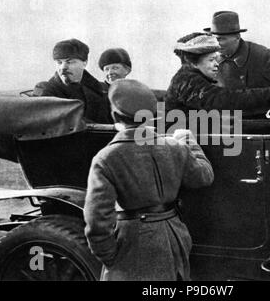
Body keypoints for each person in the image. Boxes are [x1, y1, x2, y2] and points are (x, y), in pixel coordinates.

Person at [83, 79, 214, 281]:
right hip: (175, 234)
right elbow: (204, 176)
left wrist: (109, 256)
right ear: (151, 115)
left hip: (133, 241)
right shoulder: (174, 146)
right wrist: (188, 141)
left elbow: (97, 219)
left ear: (115, 115)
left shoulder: (106, 158)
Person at [165, 32, 270, 116]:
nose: (217, 64)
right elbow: (226, 100)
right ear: (193, 63)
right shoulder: (187, 81)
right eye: (211, 60)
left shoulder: (190, 77)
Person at [203, 11, 270, 94]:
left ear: (237, 37)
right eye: (213, 39)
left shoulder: (260, 55)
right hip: (225, 114)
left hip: (260, 114)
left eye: (221, 39)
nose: (216, 44)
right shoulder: (207, 59)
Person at [33, 38, 112, 123]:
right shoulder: (46, 91)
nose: (63, 67)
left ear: (84, 63)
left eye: (70, 62)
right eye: (59, 62)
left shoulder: (101, 89)